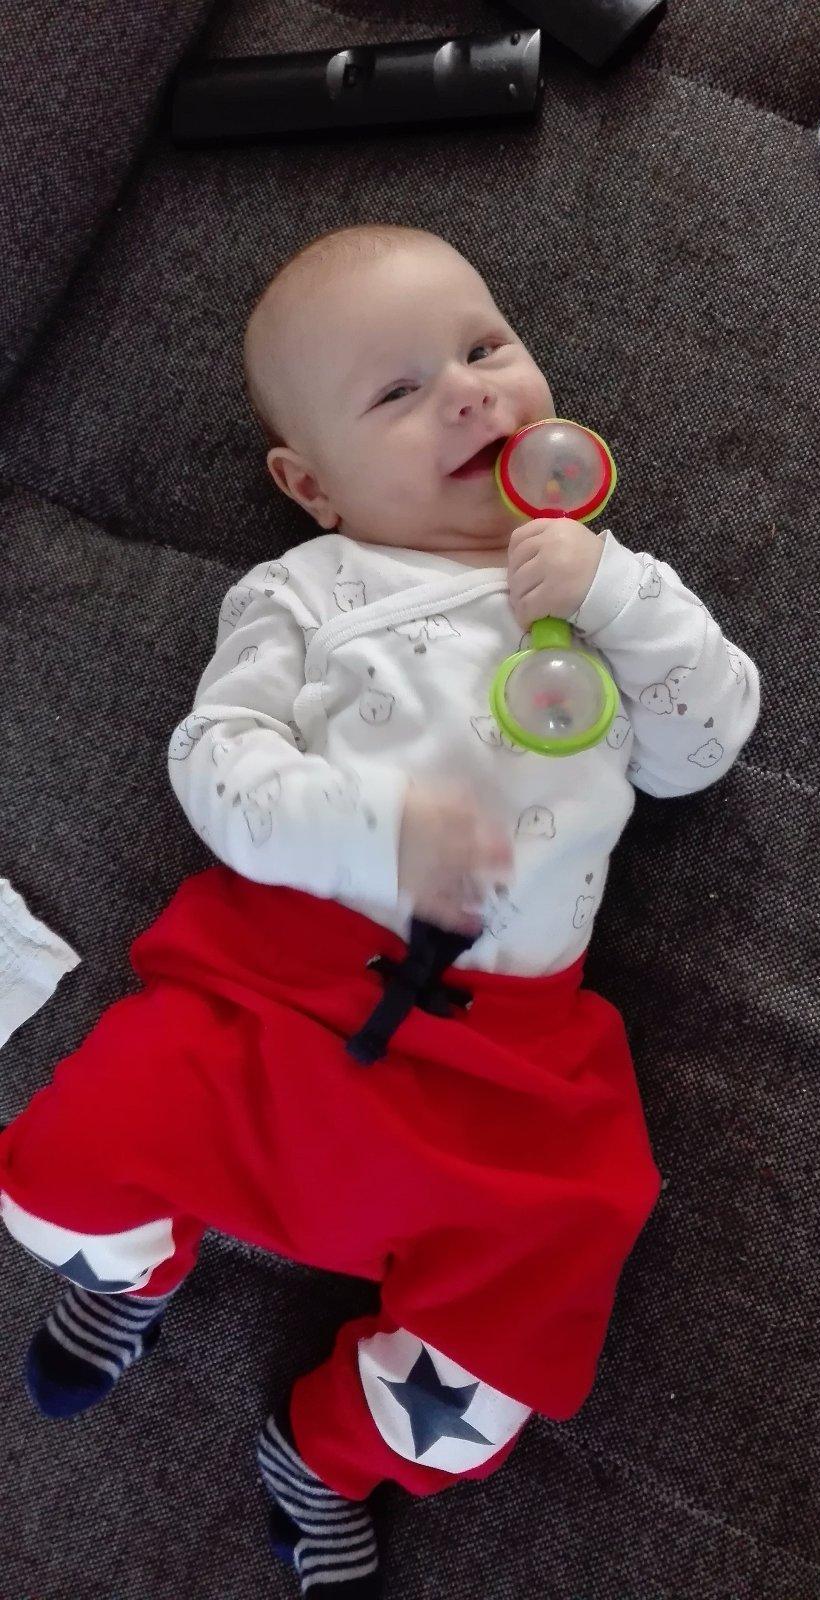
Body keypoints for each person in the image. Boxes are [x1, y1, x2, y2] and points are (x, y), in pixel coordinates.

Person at [0, 224, 761, 1598]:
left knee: (546, 1277)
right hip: (282, 991)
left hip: (509, 1059)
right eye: (400, 392)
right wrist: (374, 827)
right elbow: (214, 764)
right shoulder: (306, 594)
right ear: (312, 486)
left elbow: (697, 752)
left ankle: (328, 1452)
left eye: (485, 348)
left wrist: (619, 595)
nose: (468, 394)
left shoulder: (606, 587)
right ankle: (134, 1269)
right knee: (56, 1163)